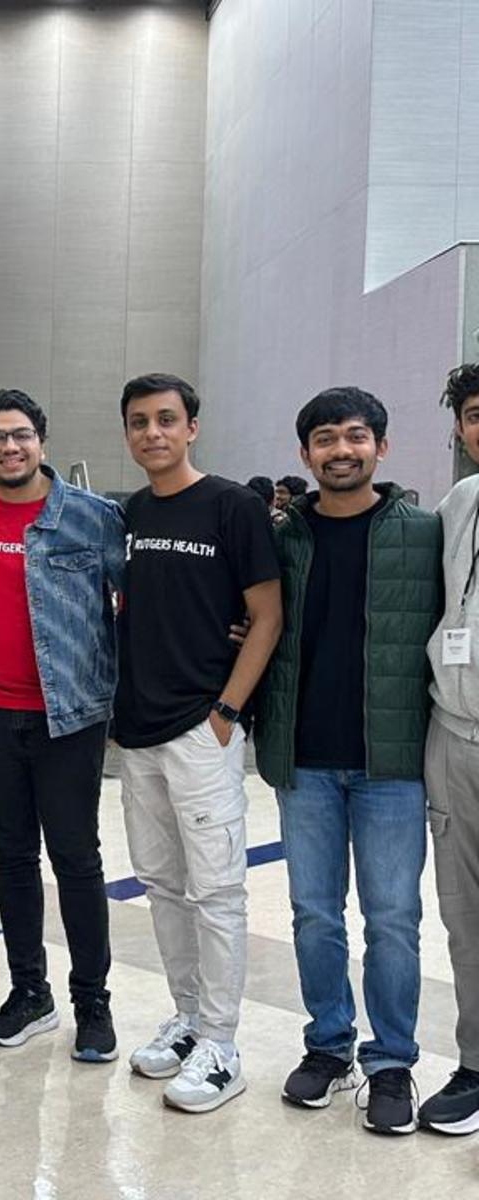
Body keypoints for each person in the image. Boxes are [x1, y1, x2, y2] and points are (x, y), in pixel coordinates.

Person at [253, 387, 440, 1135]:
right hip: (304, 759)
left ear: (381, 448)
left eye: (355, 437)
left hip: (390, 761)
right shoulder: (281, 538)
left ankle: (391, 1062)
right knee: (313, 915)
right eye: (325, 439)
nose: (340, 450)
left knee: (393, 919)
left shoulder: (423, 533)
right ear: (305, 455)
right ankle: (328, 1044)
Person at [0, 388, 125, 1062]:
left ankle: (92, 1003)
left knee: (77, 859)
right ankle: (29, 992)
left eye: (20, 435)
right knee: (12, 856)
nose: (9, 447)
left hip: (68, 716)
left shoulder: (93, 517)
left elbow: (127, 609)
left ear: (42, 441)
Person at [115, 373, 282, 1113]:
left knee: (216, 889)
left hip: (201, 728)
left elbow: (266, 616)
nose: (152, 432)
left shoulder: (234, 507)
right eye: (139, 422)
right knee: (160, 882)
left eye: (166, 420)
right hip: (138, 733)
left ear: (192, 427)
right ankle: (187, 1018)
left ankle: (222, 1043)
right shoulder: (130, 513)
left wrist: (225, 712)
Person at [419, 363, 479, 1135]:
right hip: (454, 737)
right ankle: (474, 1063)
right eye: (473, 413)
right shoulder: (459, 503)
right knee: (463, 915)